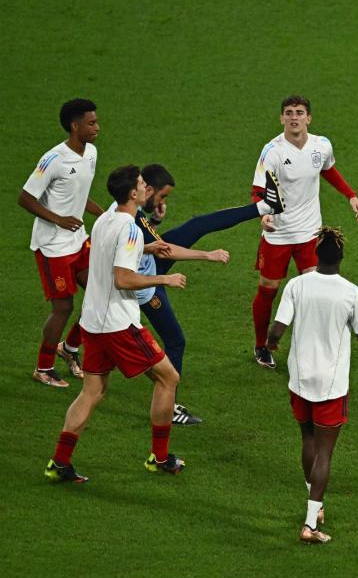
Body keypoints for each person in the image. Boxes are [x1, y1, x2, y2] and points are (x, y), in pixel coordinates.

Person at [106, 163, 285, 424]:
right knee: (175, 340)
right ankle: (170, 407)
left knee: (197, 224)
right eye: (160, 194)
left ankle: (264, 206)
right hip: (145, 284)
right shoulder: (130, 222)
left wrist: (154, 220)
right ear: (143, 190)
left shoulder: (122, 212)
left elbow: (150, 244)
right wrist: (207, 255)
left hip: (148, 266)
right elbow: (165, 249)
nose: (157, 197)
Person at [43, 166, 188, 483]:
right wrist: (165, 277)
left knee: (92, 391)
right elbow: (123, 279)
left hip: (93, 321)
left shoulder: (106, 218)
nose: (146, 188)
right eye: (141, 184)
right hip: (118, 325)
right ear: (133, 193)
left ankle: (60, 462)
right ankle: (160, 457)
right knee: (168, 378)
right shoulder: (131, 228)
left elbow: (110, 256)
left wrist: (146, 248)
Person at [266, 227, 358, 544]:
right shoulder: (352, 293)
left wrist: (271, 343)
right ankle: (311, 524)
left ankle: (316, 501)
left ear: (315, 254)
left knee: (308, 439)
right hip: (331, 384)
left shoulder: (297, 286)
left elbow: (277, 329)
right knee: (325, 453)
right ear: (341, 257)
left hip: (299, 379)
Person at [251, 95, 358, 369]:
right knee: (269, 290)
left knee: (313, 291)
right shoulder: (272, 152)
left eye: (299, 112)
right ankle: (261, 346)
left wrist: (350, 195)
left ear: (308, 118)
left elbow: (327, 169)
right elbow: (258, 191)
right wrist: (264, 216)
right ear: (281, 118)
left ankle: (308, 349)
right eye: (289, 112)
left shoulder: (321, 145)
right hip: (278, 234)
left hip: (309, 234)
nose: (294, 117)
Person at [19, 98, 104, 387]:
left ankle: (68, 349)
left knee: (101, 292)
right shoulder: (53, 159)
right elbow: (25, 198)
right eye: (91, 123)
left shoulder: (90, 153)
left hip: (79, 240)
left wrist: (102, 215)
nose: (97, 128)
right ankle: (43, 367)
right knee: (63, 308)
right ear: (74, 125)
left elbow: (79, 192)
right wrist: (59, 219)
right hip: (52, 246)